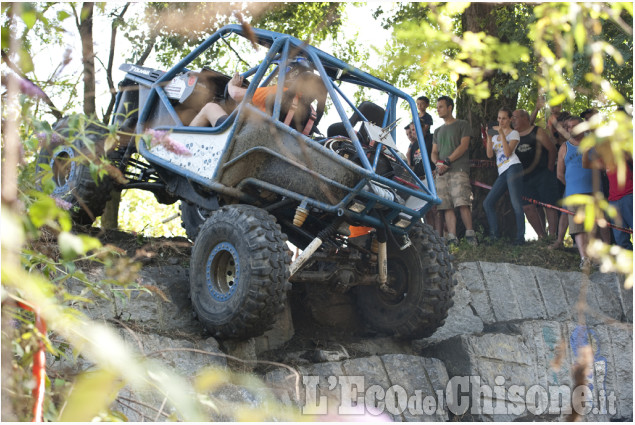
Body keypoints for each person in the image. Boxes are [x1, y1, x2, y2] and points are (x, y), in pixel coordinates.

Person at [430, 96, 476, 246]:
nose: (438, 109)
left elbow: (464, 146)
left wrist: (447, 161)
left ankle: (470, 235)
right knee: (446, 206)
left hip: (459, 170)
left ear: (450, 107)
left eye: (441, 106)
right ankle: (452, 238)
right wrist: (438, 164)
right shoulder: (437, 131)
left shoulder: (462, 124)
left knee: (462, 202)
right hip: (442, 173)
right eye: (437, 107)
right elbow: (434, 152)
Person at [511, 109, 559, 238]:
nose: (512, 120)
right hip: (524, 177)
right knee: (528, 207)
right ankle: (541, 236)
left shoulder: (537, 131)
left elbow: (552, 150)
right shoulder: (512, 135)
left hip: (542, 174)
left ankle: (553, 236)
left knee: (549, 204)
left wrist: (549, 168)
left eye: (515, 117)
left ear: (525, 118)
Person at [557, 116, 594, 269]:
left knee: (594, 226)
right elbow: (559, 174)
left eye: (574, 126)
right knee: (578, 228)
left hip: (593, 191)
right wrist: (571, 186)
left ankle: (595, 257)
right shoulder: (564, 147)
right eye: (568, 126)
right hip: (573, 193)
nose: (571, 129)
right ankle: (584, 258)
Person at [483, 108, 525, 245]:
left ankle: (520, 238)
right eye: (499, 118)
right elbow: (489, 155)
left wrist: (501, 133)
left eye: (504, 118)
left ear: (510, 120)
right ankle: (494, 236)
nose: (501, 121)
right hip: (502, 171)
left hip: (513, 167)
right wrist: (489, 137)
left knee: (516, 203)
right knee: (488, 202)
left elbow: (507, 153)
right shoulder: (494, 136)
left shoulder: (514, 133)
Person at [583, 146, 633, 250]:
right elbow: (586, 165)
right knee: (620, 239)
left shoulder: (624, 153)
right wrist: (585, 150)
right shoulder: (605, 160)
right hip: (613, 201)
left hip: (629, 196)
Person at [404, 121, 442, 231]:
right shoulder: (414, 145)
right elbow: (412, 166)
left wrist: (436, 168)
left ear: (424, 127)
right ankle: (431, 233)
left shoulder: (432, 138)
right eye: (411, 130)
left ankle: (439, 235)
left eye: (414, 129)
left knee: (435, 209)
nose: (412, 132)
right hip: (419, 181)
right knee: (426, 210)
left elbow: (439, 153)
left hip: (432, 178)